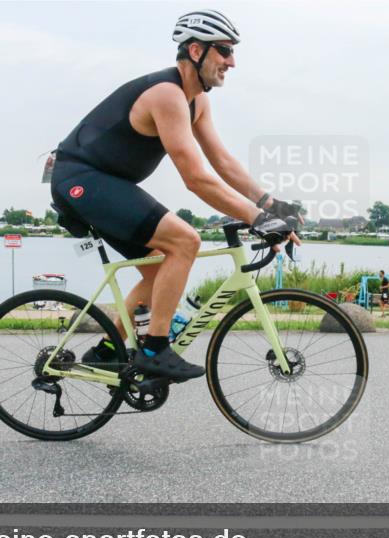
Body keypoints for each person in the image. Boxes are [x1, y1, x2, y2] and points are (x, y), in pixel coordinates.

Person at [50, 10, 300, 381]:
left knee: (158, 264)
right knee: (185, 241)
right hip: (82, 179)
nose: (232, 62)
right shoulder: (166, 95)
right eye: (224, 51)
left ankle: (105, 351)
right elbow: (196, 179)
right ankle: (154, 348)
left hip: (107, 182)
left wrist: (271, 205)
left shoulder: (197, 101)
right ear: (196, 50)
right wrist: (259, 220)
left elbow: (222, 163)